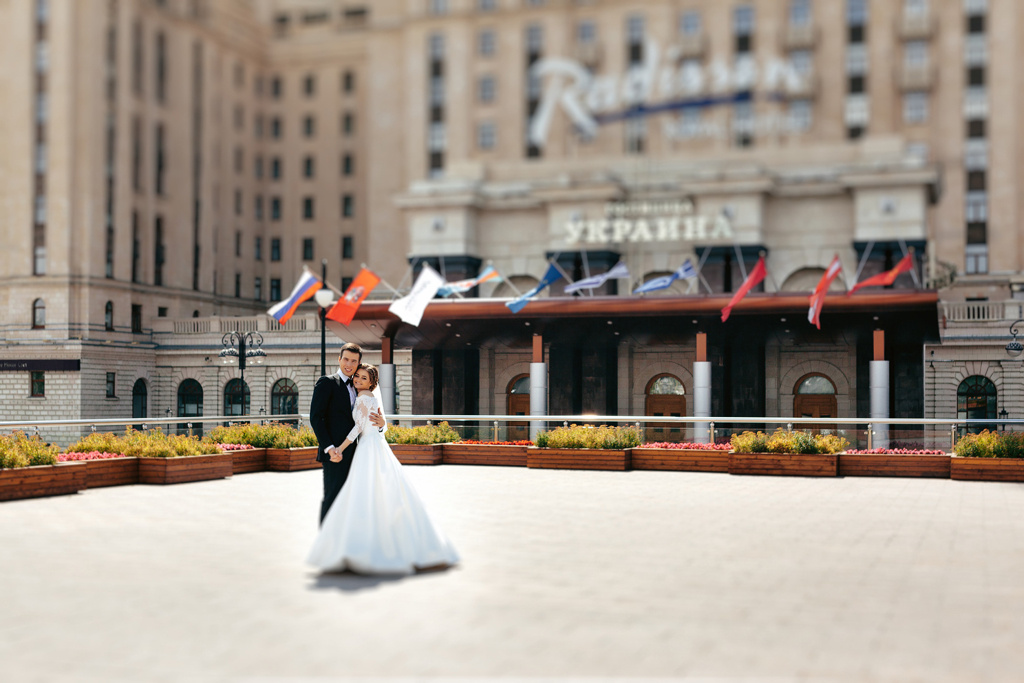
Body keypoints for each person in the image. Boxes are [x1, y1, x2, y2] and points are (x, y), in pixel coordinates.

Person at [308, 363, 459, 574]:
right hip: (376, 446)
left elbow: (358, 428)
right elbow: (377, 425)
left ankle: (363, 545)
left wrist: (339, 448)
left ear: (372, 382)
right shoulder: (372, 397)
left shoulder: (362, 398)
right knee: (383, 491)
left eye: (363, 378)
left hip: (367, 448)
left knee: (365, 493)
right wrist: (379, 425)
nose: (358, 380)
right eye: (357, 377)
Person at [309, 343, 386, 525]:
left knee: (350, 498)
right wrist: (329, 449)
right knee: (333, 496)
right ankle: (326, 543)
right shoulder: (327, 382)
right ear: (339, 359)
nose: (349, 364)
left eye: (354, 361)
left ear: (359, 363)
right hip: (335, 452)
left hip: (356, 453)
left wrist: (381, 425)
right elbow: (316, 418)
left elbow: (366, 421)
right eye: (346, 359)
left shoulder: (359, 388)